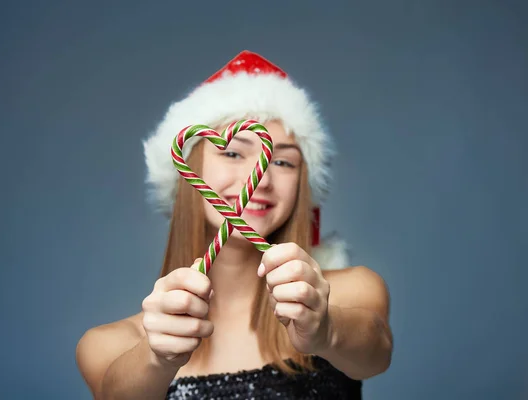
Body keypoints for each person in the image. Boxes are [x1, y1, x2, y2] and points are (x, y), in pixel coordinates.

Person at [76, 50, 393, 400]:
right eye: (232, 153)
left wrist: (325, 330)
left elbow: (375, 355)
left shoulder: (347, 294)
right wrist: (156, 358)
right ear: (189, 172)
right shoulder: (111, 344)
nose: (258, 180)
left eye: (284, 162)